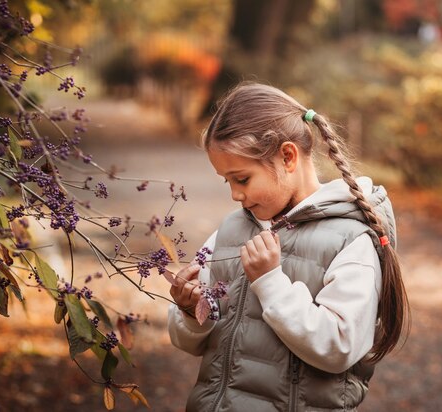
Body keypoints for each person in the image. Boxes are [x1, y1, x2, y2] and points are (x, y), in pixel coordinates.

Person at [167, 82, 410, 412]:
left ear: (287, 156)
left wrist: (270, 283)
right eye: (228, 181)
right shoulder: (231, 230)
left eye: (242, 179)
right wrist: (190, 310)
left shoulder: (350, 240)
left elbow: (340, 347)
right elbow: (190, 343)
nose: (234, 195)